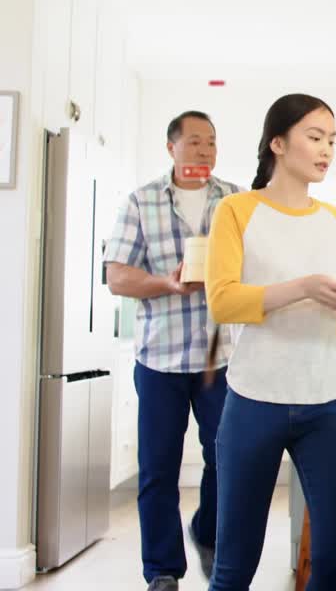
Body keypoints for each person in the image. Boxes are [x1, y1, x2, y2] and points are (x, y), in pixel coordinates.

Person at [205, 93, 336, 590]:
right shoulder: (236, 211)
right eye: (315, 138)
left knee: (335, 562)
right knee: (234, 566)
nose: (326, 151)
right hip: (255, 399)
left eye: (333, 141)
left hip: (326, 400)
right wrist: (303, 287)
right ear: (277, 143)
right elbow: (224, 301)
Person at [104, 110, 240, 590]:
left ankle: (206, 530)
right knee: (158, 468)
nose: (205, 151)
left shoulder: (234, 200)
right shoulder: (141, 202)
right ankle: (162, 570)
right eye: (195, 142)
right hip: (159, 360)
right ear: (172, 148)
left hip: (220, 359)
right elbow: (117, 275)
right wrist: (165, 282)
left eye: (212, 143)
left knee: (227, 457)